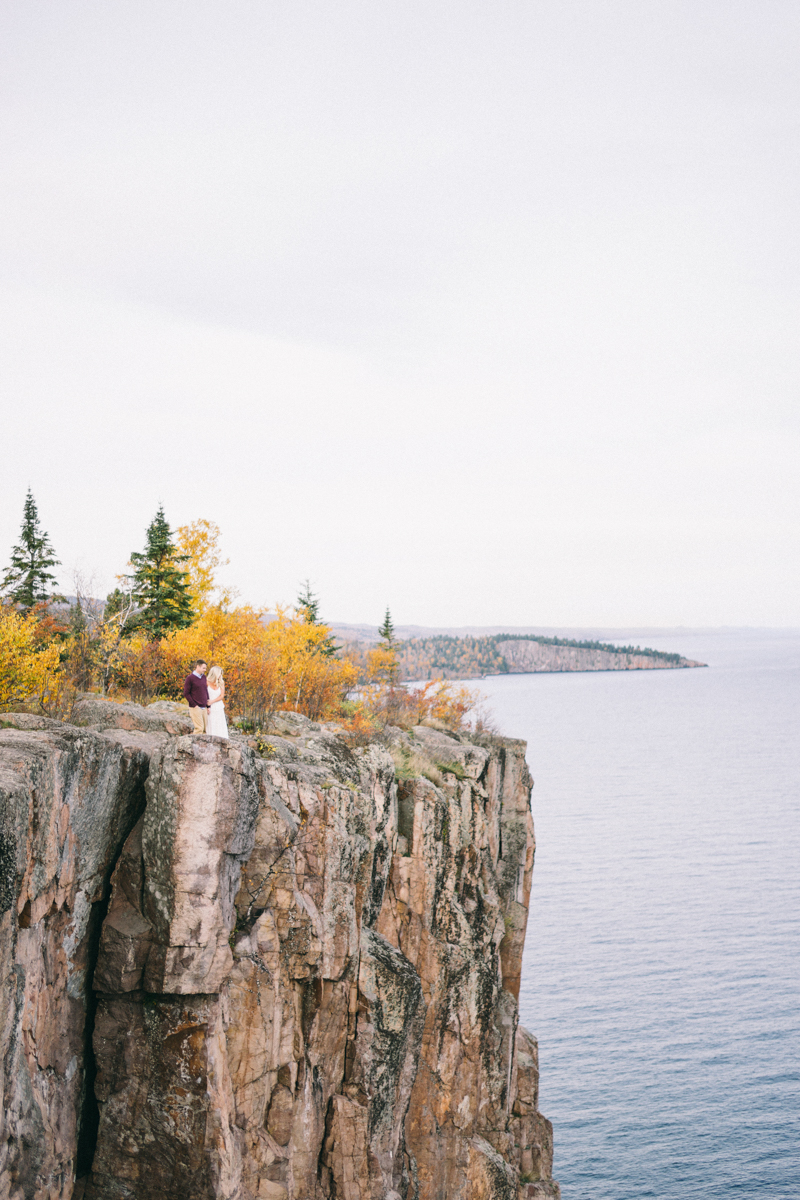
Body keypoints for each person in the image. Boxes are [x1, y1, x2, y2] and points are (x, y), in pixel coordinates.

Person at [183, 659, 210, 733]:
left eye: (205, 668)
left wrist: (208, 706)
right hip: (195, 707)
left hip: (204, 707)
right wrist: (194, 705)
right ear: (198, 667)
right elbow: (186, 693)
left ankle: (203, 744)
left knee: (205, 729)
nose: (205, 670)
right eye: (203, 668)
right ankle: (194, 744)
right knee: (199, 729)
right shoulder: (190, 678)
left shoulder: (204, 677)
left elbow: (205, 691)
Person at [206, 665, 229, 738]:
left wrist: (212, 701)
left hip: (218, 706)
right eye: (219, 673)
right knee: (211, 724)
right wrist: (207, 705)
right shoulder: (206, 682)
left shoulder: (221, 682)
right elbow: (203, 694)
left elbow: (222, 696)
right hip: (210, 707)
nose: (220, 675)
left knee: (219, 724)